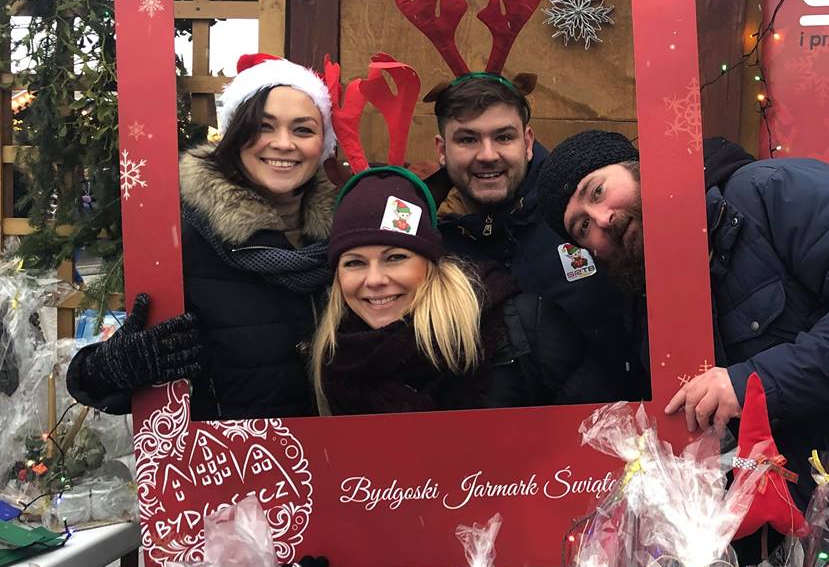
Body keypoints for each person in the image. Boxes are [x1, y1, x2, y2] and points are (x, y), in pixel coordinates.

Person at [536, 129, 829, 509]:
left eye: (597, 191)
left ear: (637, 167)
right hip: (784, 518)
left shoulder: (770, 192)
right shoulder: (645, 309)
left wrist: (752, 384)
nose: (602, 219)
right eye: (583, 227)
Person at [67, 53, 338, 421]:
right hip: (235, 455)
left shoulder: (351, 237)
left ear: (323, 144)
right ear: (236, 135)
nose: (283, 143)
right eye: (263, 127)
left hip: (348, 455)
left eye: (303, 130)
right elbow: (95, 379)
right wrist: (112, 369)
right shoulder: (185, 244)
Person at [426, 75, 647, 402]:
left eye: (503, 137)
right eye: (468, 139)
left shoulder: (582, 217)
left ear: (527, 142)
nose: (487, 154)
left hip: (631, 421)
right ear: (442, 150)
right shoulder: (429, 245)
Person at [311, 164, 592, 417]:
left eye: (395, 257)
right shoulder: (336, 362)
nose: (374, 279)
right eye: (354, 263)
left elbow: (597, 436)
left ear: (430, 263)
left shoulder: (522, 327)